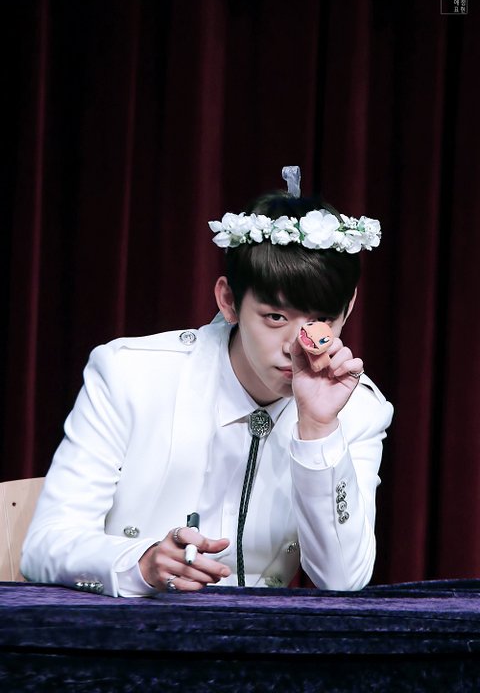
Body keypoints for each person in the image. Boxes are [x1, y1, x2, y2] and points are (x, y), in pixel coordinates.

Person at [21, 166, 393, 597]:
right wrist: (140, 563)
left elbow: (343, 580)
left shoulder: (357, 408)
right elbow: (44, 544)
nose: (299, 347)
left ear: (349, 308)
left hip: (261, 635)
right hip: (131, 624)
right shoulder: (132, 375)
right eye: (275, 317)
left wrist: (318, 431)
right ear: (229, 301)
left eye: (322, 320)